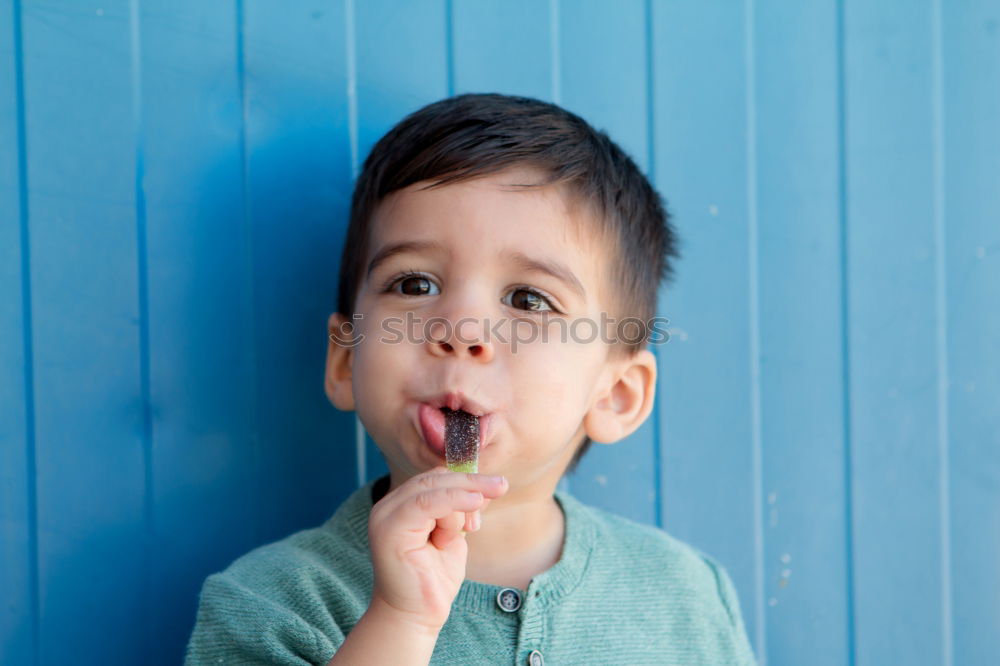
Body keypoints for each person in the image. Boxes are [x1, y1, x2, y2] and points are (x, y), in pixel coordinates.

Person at [184, 93, 757, 665]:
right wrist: (400, 621)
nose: (460, 329)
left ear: (614, 395)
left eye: (529, 299)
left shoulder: (685, 593)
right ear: (343, 361)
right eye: (414, 285)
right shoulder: (271, 604)